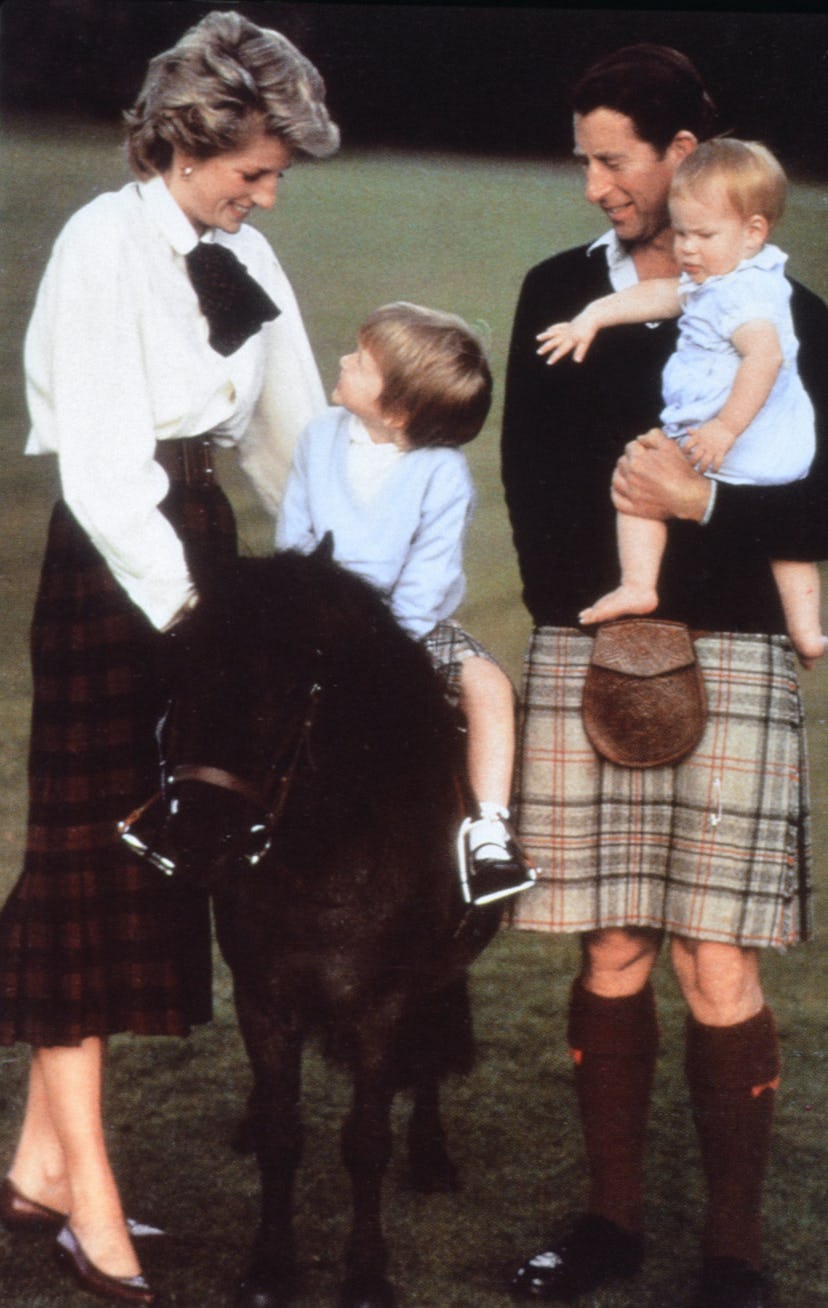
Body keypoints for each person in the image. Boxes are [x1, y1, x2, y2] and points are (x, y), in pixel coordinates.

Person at [0, 12, 338, 1304]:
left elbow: (291, 437)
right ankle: (91, 1203)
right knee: (90, 862)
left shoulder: (241, 251)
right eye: (253, 168)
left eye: (275, 176)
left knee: (152, 860)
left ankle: (36, 1165)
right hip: (113, 564)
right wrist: (191, 615)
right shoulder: (100, 244)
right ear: (188, 141)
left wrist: (339, 584)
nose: (267, 192)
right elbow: (96, 463)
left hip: (201, 541)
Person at [501, 43, 828, 1308]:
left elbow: (815, 505)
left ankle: (734, 1254)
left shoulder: (788, 316)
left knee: (718, 961)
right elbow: (534, 497)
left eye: (613, 159)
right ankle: (611, 1225)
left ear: (684, 157)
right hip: (592, 644)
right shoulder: (555, 290)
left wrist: (698, 516)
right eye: (583, 158)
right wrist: (598, 636)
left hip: (738, 651)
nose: (594, 185)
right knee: (615, 945)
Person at [277, 301, 536, 906]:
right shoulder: (318, 438)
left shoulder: (442, 473)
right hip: (315, 616)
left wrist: (379, 645)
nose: (343, 359)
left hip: (408, 628)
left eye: (361, 362)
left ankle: (489, 832)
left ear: (395, 411)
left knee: (489, 688)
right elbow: (295, 538)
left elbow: (429, 578)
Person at [538, 137, 826, 668]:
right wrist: (593, 316)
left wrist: (724, 429)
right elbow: (661, 295)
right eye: (682, 232)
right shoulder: (724, 277)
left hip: (741, 438)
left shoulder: (745, 295)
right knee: (785, 545)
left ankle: (638, 581)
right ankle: (806, 630)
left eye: (703, 234)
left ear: (754, 232)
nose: (687, 248)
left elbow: (765, 359)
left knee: (638, 487)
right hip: (755, 444)